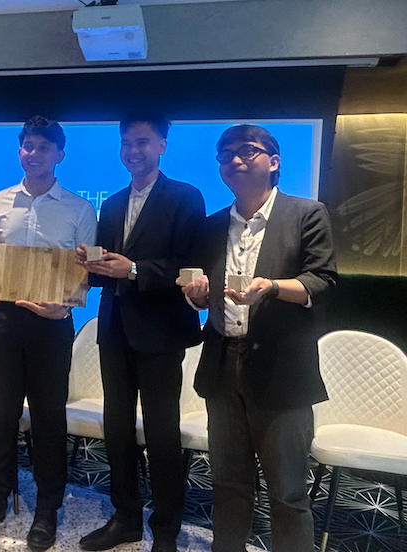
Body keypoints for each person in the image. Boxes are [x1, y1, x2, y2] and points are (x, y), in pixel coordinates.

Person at [178, 125, 336, 552]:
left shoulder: (305, 213)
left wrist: (272, 287)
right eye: (225, 154)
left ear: (274, 161)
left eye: (247, 150)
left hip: (281, 368)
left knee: (287, 492)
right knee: (228, 483)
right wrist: (197, 296)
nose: (234, 159)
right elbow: (204, 293)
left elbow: (322, 281)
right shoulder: (211, 226)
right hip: (222, 365)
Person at [74, 115, 205, 552]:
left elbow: (189, 266)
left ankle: (165, 529)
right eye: (126, 143)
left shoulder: (185, 197)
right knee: (116, 428)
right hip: (114, 328)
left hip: (161, 332)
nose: (133, 151)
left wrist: (133, 270)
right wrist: (88, 263)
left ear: (162, 145)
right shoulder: (111, 204)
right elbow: (105, 270)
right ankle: (125, 518)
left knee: (163, 432)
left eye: (143, 142)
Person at [0, 116, 97, 551]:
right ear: (19, 150)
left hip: (52, 324)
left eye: (43, 147)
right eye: (27, 145)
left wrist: (67, 305)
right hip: (4, 319)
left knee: (48, 417)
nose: (33, 153)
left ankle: (47, 509)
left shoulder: (80, 208)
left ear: (59, 154)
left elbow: (86, 271)